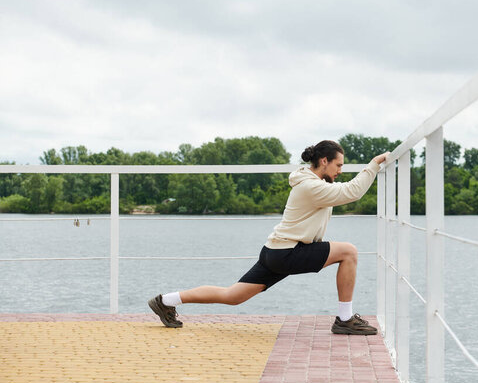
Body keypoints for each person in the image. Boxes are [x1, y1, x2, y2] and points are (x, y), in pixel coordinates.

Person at [148, 140, 389, 335]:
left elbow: (344, 189)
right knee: (349, 252)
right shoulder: (310, 187)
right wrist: (374, 163)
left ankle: (166, 300)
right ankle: (344, 319)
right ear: (324, 161)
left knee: (232, 296)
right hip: (287, 252)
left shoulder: (309, 182)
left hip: (275, 251)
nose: (340, 171)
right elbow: (352, 191)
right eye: (338, 165)